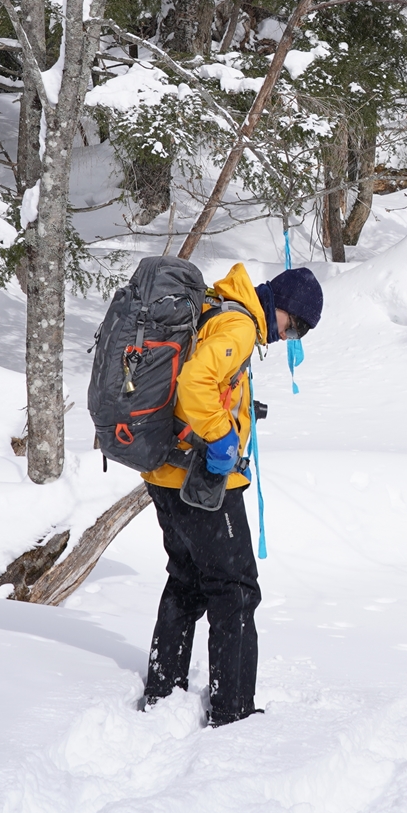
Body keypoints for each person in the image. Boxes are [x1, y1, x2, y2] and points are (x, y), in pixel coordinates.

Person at [137, 262, 323, 726]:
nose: (289, 336)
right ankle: (232, 710)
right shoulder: (239, 324)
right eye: (294, 325)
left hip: (163, 471)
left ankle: (164, 692)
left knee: (186, 579)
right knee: (235, 589)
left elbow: (210, 382)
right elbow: (195, 382)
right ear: (282, 306)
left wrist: (239, 410)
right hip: (198, 481)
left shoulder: (220, 307)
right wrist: (221, 436)